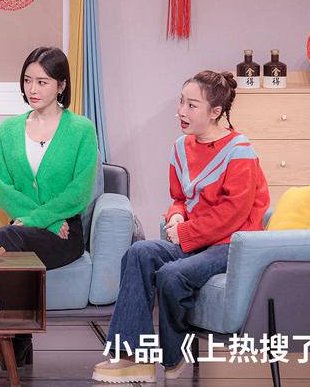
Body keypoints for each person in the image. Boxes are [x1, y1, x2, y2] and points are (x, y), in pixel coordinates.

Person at [92, 70, 269, 383]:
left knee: (172, 275)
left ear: (215, 112)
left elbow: (234, 213)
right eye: (181, 102)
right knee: (139, 252)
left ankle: (174, 355)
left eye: (192, 105)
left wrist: (185, 232)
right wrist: (176, 215)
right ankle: (133, 356)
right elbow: (180, 198)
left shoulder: (240, 150)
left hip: (232, 244)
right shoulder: (181, 147)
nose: (181, 112)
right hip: (198, 240)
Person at [0, 47, 99, 367]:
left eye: (42, 82)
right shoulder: (9, 130)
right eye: (27, 81)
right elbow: (1, 188)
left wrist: (44, 220)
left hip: (65, 234)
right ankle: (15, 342)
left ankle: (8, 342)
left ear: (61, 85)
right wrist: (46, 221)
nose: (32, 89)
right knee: (8, 239)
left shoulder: (81, 130)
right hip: (26, 229)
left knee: (4, 239)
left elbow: (80, 191)